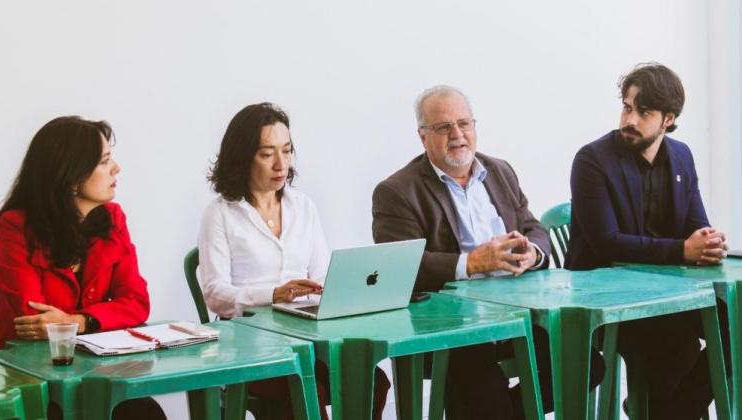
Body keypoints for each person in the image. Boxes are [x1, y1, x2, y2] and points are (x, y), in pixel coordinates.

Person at [372, 85, 604, 419]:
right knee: (483, 389)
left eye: (464, 124)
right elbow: (401, 266)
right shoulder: (397, 191)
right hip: (453, 327)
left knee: (585, 362)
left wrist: (533, 253)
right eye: (443, 127)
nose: (457, 134)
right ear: (423, 137)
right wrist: (471, 263)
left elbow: (532, 226)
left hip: (519, 313)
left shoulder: (499, 171)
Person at [199, 102, 390, 419]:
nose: (281, 164)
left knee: (371, 380)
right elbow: (216, 295)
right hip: (250, 343)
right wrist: (274, 294)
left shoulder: (303, 206)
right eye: (267, 154)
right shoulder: (220, 213)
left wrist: (337, 292)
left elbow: (323, 275)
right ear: (242, 158)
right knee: (303, 390)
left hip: (308, 337)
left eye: (287, 151)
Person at [567, 63, 730, 419]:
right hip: (607, 299)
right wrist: (682, 250)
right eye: (627, 107)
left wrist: (709, 241)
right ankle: (670, 410)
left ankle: (671, 410)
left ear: (668, 119)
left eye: (644, 112)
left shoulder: (681, 156)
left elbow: (695, 225)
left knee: (737, 322)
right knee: (675, 346)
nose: (630, 119)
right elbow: (606, 244)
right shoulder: (592, 160)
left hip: (669, 295)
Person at [0, 116, 164, 419]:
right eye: (104, 162)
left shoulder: (114, 219)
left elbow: (137, 302)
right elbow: (36, 321)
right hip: (21, 376)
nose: (116, 168)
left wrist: (80, 321)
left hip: (88, 369)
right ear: (72, 174)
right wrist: (87, 319)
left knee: (142, 412)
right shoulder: (17, 225)